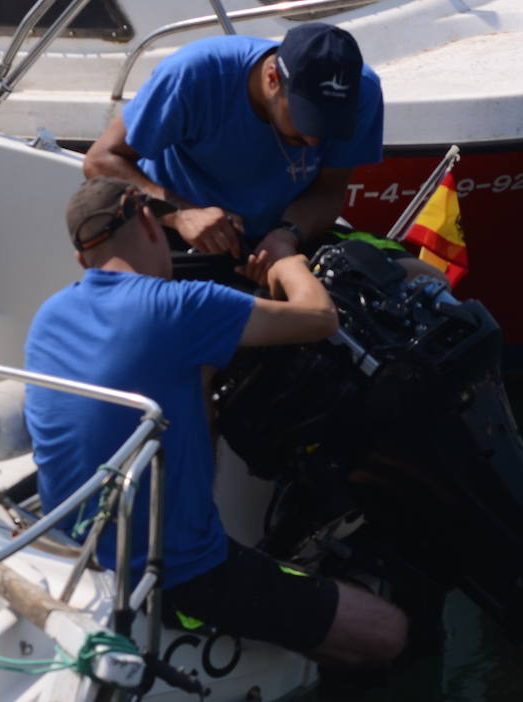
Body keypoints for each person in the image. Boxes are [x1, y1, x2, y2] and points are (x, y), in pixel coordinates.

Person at [23, 176, 408, 667]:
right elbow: (318, 317)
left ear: (82, 260)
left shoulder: (49, 315)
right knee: (389, 631)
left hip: (75, 547)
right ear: (148, 220)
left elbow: (187, 371)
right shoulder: (182, 307)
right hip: (178, 573)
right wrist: (289, 260)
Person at [83, 23, 386, 272]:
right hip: (176, 232)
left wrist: (287, 235)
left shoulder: (365, 93)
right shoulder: (195, 74)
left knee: (407, 281)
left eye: (329, 125)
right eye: (306, 120)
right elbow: (100, 161)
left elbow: (330, 190)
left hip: (283, 239)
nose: (314, 141)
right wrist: (182, 214)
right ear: (272, 79)